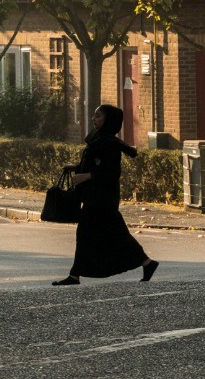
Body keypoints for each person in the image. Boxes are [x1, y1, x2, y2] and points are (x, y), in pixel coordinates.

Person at [53, 103, 158, 286]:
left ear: (109, 120)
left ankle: (74, 275)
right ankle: (146, 263)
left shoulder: (109, 143)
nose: (94, 119)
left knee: (88, 233)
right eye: (94, 116)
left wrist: (86, 176)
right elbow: (94, 164)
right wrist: (76, 168)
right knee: (114, 234)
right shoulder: (99, 138)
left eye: (99, 116)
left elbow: (111, 173)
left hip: (102, 199)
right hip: (96, 197)